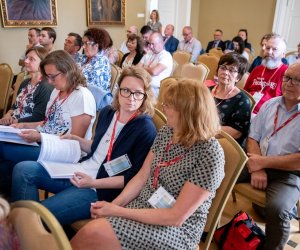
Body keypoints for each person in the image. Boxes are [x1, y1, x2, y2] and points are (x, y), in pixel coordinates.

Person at [70, 78, 225, 250]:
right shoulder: (168, 131)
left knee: (93, 233)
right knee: (93, 234)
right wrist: (114, 205)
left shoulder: (210, 153)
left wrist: (116, 211)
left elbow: (176, 217)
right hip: (144, 204)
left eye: (169, 105)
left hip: (176, 229)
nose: (163, 108)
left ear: (187, 112)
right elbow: (142, 177)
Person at [11, 66, 157, 226]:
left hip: (100, 189)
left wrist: (92, 183)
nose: (131, 98)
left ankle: (27, 230)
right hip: (81, 170)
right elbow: (97, 148)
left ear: (145, 96)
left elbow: (133, 177)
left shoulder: (145, 128)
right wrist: (76, 139)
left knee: (39, 215)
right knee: (23, 170)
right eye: (126, 91)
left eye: (138, 93)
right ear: (118, 90)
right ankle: (28, 230)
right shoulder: (109, 113)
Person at [0, 50, 96, 197]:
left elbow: (74, 141)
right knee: (6, 161)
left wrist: (40, 137)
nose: (50, 82)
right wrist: (24, 125)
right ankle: (8, 207)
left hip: (64, 152)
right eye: (47, 77)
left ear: (67, 71)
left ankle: (22, 213)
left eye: (52, 77)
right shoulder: (57, 92)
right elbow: (47, 123)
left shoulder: (81, 96)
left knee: (4, 150)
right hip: (45, 142)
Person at [238, 62, 300, 249]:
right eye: (287, 77)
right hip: (257, 162)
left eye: (297, 80)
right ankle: (209, 228)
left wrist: (260, 163)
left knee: (278, 210)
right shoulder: (270, 104)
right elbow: (253, 138)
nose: (289, 83)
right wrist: (259, 168)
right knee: (218, 176)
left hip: (288, 173)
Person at [0, 47, 53, 126]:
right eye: (26, 58)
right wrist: (7, 115)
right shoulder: (25, 82)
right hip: (12, 124)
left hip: (26, 128)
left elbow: (38, 117)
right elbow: (15, 106)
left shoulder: (45, 87)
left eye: (31, 59)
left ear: (43, 63)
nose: (26, 61)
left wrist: (13, 121)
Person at [211, 52, 251, 145]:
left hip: (222, 144)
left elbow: (236, 132)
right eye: (223, 67)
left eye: (232, 70)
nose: (225, 72)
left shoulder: (242, 100)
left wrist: (205, 130)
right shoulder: (206, 91)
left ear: (238, 77)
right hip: (198, 136)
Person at [244, 33, 288, 114]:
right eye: (267, 48)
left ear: (283, 54)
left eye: (274, 49)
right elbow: (245, 92)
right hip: (246, 110)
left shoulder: (287, 73)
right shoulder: (257, 69)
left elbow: (286, 104)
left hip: (269, 115)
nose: (269, 52)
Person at [138, 32, 173, 98]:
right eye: (149, 44)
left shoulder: (166, 56)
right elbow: (137, 67)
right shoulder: (149, 53)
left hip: (155, 89)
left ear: (161, 43)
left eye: (153, 44)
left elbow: (154, 72)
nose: (150, 47)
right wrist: (147, 69)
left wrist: (144, 67)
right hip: (143, 84)